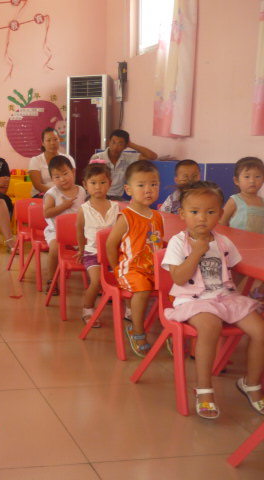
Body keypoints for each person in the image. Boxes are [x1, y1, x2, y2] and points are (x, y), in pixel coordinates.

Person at [161, 181, 264, 418]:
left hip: (223, 296)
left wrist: (234, 296)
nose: (202, 219)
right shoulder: (179, 242)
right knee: (210, 326)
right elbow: (178, 277)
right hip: (191, 300)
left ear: (219, 214)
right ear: (182, 214)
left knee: (260, 329)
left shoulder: (223, 242)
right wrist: (196, 251)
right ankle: (204, 389)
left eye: (210, 212)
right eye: (195, 212)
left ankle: (251, 383)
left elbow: (235, 269)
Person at [106, 160, 164, 357]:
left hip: (153, 268)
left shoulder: (157, 216)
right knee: (143, 290)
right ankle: (137, 330)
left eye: (153, 184)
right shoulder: (126, 216)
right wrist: (115, 268)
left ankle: (171, 331)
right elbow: (110, 244)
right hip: (131, 269)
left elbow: (157, 243)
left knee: (175, 286)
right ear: (128, 189)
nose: (148, 190)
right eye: (141, 185)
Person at [75, 163, 119, 327]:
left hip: (112, 254)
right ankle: (87, 309)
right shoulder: (84, 209)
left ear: (110, 183)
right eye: (93, 183)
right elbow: (79, 231)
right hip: (92, 253)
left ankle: (129, 309)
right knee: (96, 281)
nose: (98, 187)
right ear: (85, 185)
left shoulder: (116, 207)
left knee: (128, 276)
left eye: (102, 182)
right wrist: (81, 249)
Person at [43, 156, 87, 292]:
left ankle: (97, 280)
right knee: (55, 248)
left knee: (95, 245)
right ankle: (51, 280)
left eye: (65, 173)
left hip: (77, 231)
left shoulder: (81, 191)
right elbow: (47, 213)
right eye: (57, 177)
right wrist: (63, 206)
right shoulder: (52, 193)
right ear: (52, 179)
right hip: (55, 230)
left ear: (73, 171)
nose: (62, 179)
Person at [90, 129, 158, 200]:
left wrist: (131, 144)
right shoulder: (97, 157)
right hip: (99, 195)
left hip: (117, 198)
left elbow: (152, 156)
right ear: (109, 142)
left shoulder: (128, 157)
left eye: (120, 144)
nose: (115, 147)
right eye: (113, 142)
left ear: (125, 146)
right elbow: (91, 180)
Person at [219, 157, 264, 233]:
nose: (252, 181)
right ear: (236, 180)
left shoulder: (262, 202)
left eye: (257, 176)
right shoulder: (234, 200)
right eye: (247, 176)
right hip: (236, 243)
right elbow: (221, 223)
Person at [28, 128, 76, 197]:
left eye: (55, 139)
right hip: (42, 195)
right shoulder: (36, 160)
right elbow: (37, 186)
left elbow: (71, 181)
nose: (52, 143)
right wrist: (57, 193)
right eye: (48, 140)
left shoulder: (68, 159)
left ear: (59, 140)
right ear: (43, 143)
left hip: (65, 194)